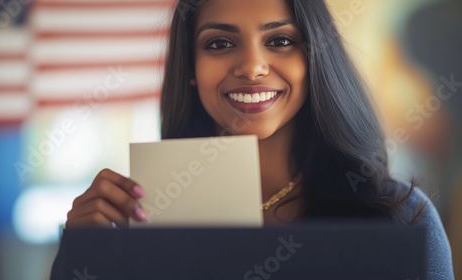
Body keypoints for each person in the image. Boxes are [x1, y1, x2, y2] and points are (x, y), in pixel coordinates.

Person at [64, 0, 454, 278]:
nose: (251, 67)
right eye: (219, 43)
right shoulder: (133, 221)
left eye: (280, 40)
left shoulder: (402, 215)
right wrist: (80, 257)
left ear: (314, 58)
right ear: (191, 69)